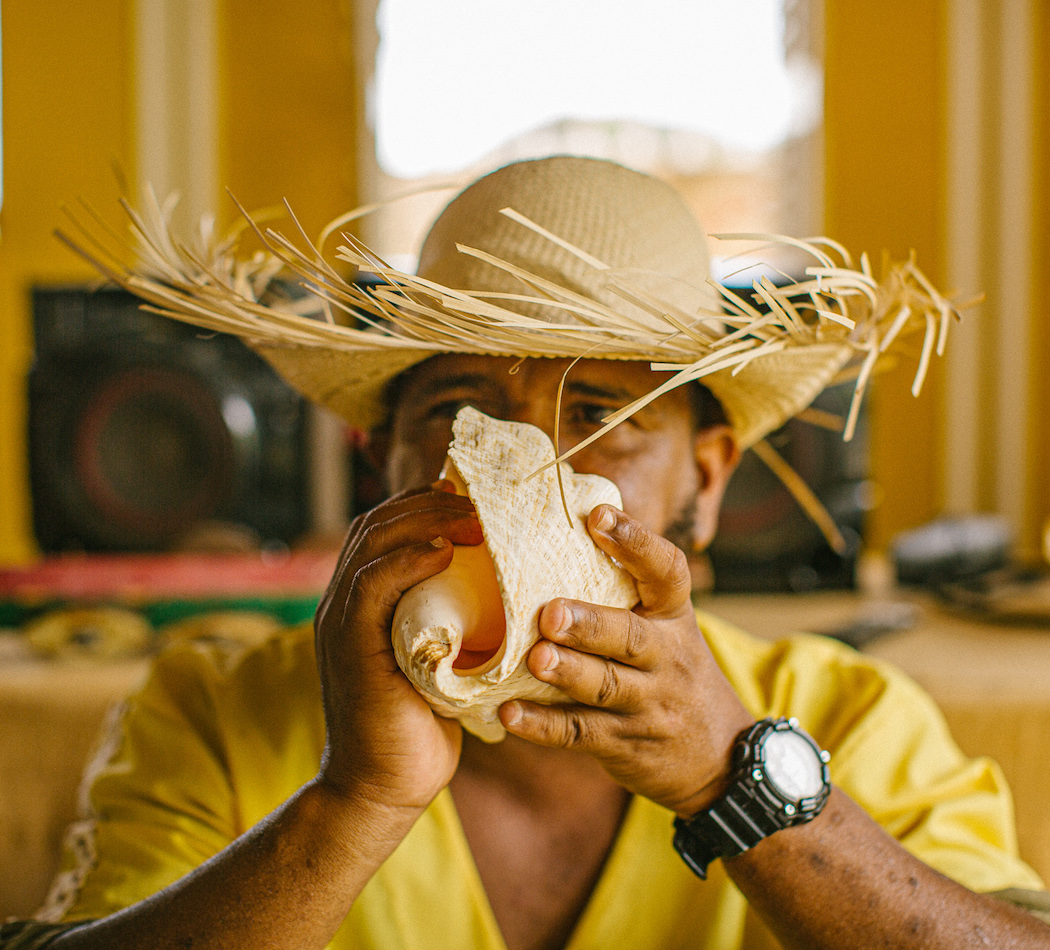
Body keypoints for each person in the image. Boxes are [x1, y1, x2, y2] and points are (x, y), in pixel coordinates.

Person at [5, 156, 1048, 950]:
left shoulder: (847, 716)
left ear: (711, 477)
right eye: (462, 407)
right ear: (382, 463)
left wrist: (732, 776)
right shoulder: (216, 711)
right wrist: (357, 799)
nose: (527, 473)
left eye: (602, 411)